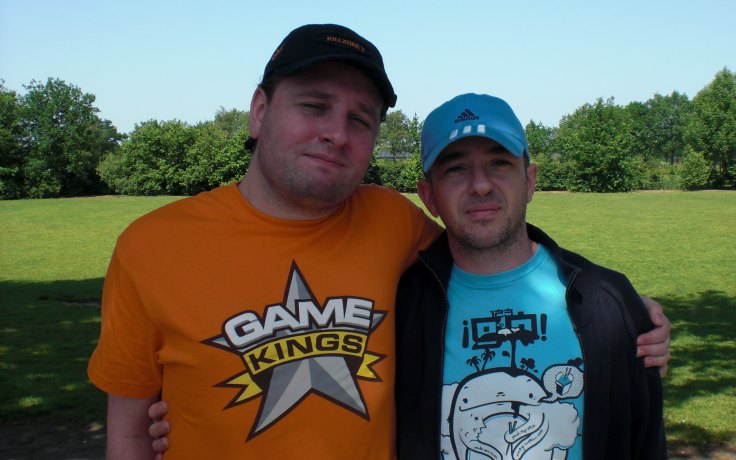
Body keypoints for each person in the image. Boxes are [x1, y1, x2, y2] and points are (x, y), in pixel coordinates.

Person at [88, 24, 670, 459]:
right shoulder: (151, 247)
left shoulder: (392, 222)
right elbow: (130, 432)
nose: (336, 133)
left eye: (360, 119)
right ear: (259, 111)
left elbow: (490, 246)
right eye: (314, 105)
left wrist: (617, 310)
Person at [394, 93, 667, 459]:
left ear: (530, 180)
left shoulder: (605, 303)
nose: (480, 185)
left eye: (499, 163)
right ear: (429, 197)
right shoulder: (402, 309)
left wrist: (630, 312)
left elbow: (645, 443)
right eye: (456, 169)